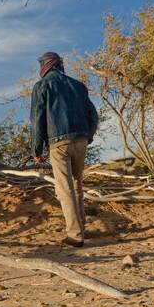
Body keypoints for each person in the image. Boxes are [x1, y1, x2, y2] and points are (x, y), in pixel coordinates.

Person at [30, 51, 99, 247]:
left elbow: (37, 120)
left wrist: (37, 149)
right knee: (77, 185)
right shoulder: (78, 86)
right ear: (58, 64)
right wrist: (88, 135)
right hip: (81, 139)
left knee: (65, 188)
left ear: (45, 66)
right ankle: (82, 227)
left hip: (58, 143)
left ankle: (75, 235)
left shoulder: (41, 86)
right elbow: (93, 115)